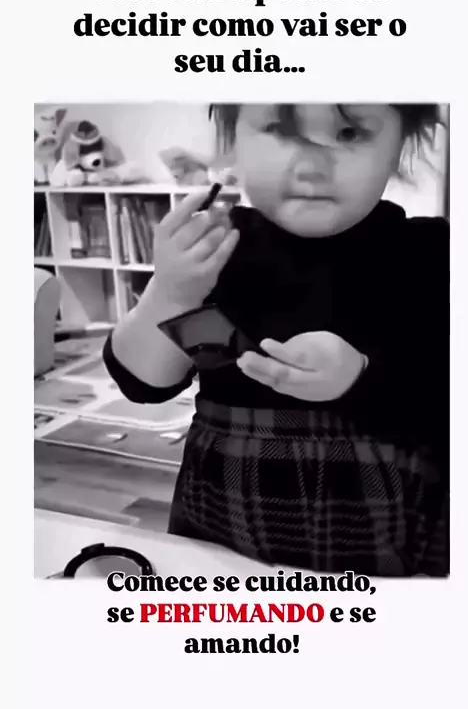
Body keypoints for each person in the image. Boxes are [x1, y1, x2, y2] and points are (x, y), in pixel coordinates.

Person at [104, 104, 449, 577]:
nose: (311, 167)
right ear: (233, 144)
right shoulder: (215, 250)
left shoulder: (430, 254)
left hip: (385, 546)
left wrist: (362, 376)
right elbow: (143, 383)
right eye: (280, 131)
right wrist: (170, 293)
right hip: (219, 537)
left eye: (349, 134)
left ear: (401, 146)